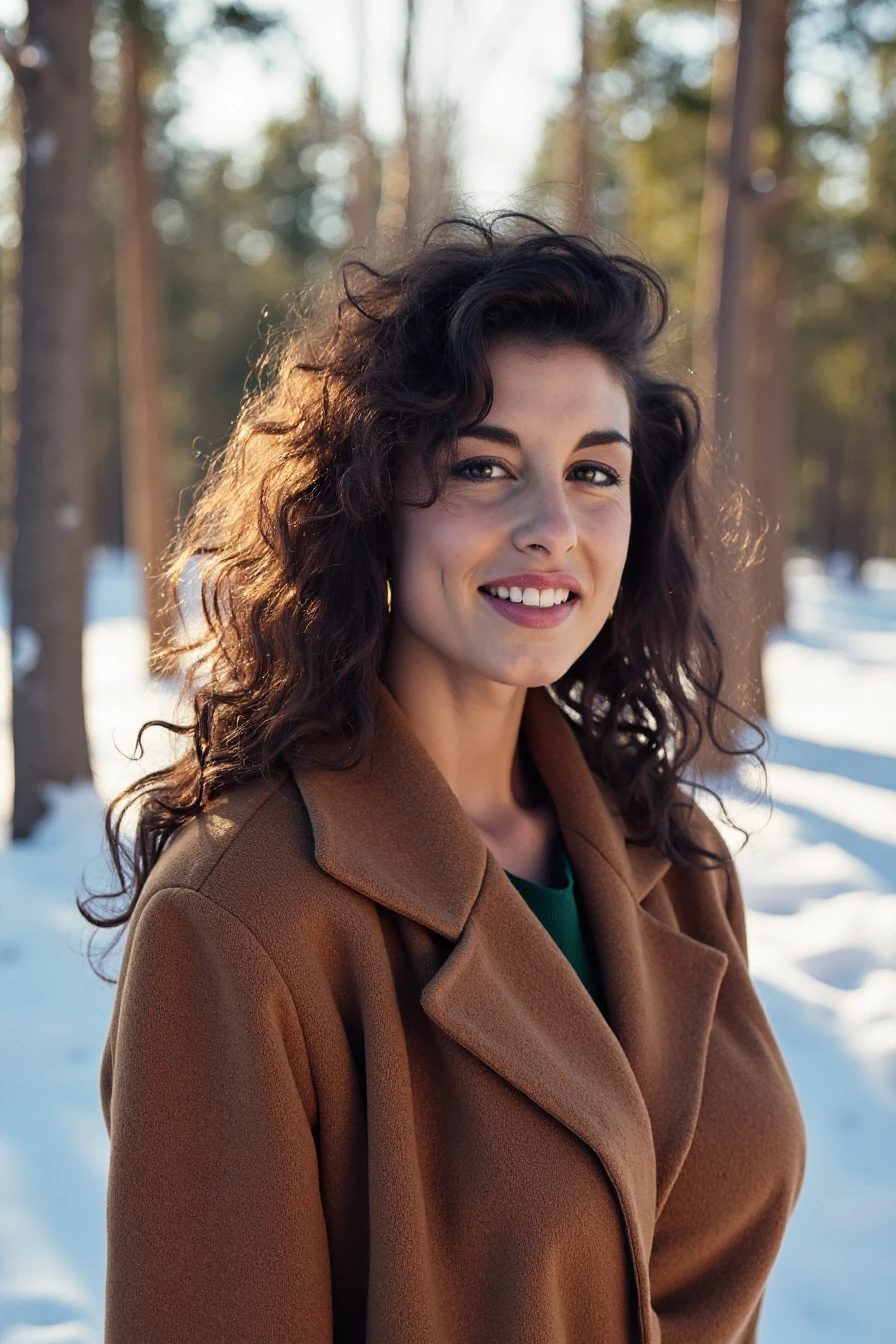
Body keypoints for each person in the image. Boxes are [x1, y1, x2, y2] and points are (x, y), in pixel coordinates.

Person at [82, 212, 807, 1343]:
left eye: (594, 472)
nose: (551, 527)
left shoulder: (673, 860)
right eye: (483, 465)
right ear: (368, 495)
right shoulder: (241, 916)